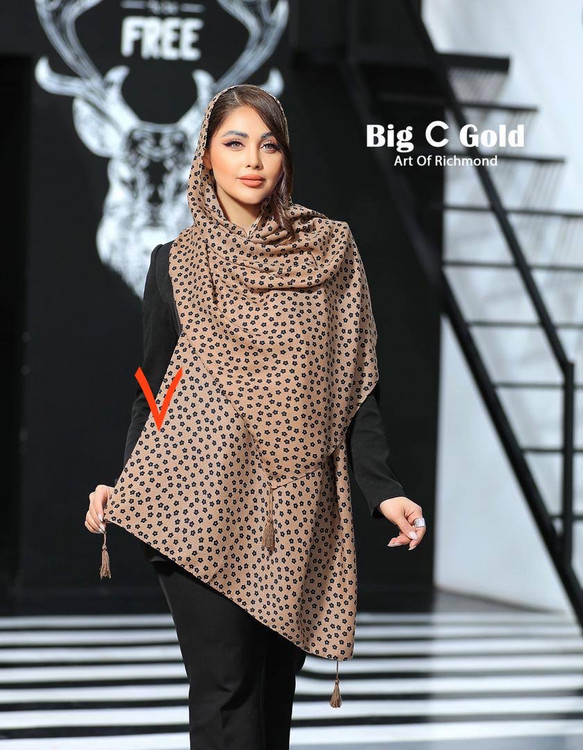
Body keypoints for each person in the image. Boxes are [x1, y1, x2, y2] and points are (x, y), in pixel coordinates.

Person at [85, 83, 426, 750]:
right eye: (234, 143)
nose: (252, 160)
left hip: (295, 506)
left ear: (285, 157)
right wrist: (124, 482)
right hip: (194, 499)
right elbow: (153, 389)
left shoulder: (331, 251)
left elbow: (355, 382)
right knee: (226, 688)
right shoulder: (175, 262)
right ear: (206, 155)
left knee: (272, 694)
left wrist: (382, 489)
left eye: (268, 145)